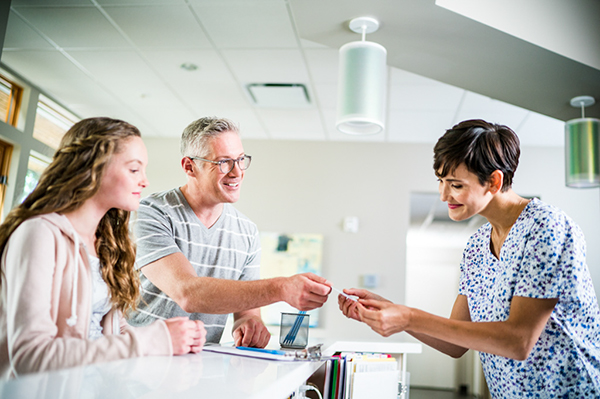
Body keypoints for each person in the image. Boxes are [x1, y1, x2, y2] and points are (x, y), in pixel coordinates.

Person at [338, 119, 600, 397]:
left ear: (494, 181)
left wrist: (409, 318)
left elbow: (519, 342)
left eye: (455, 185)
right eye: (441, 181)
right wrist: (389, 309)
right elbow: (455, 343)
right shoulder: (476, 245)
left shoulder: (547, 227)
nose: (443, 195)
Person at [0, 117, 206, 379]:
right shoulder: (39, 234)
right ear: (93, 168)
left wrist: (171, 339)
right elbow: (29, 355)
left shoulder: (107, 242)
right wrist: (150, 341)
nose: (145, 181)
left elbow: (110, 332)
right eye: (134, 170)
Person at [127, 117, 331, 348]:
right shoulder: (150, 213)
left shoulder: (246, 231)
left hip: (198, 365)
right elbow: (187, 293)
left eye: (241, 160)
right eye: (224, 162)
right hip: (139, 361)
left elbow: (247, 312)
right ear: (189, 166)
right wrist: (282, 288)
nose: (237, 172)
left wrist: (249, 324)